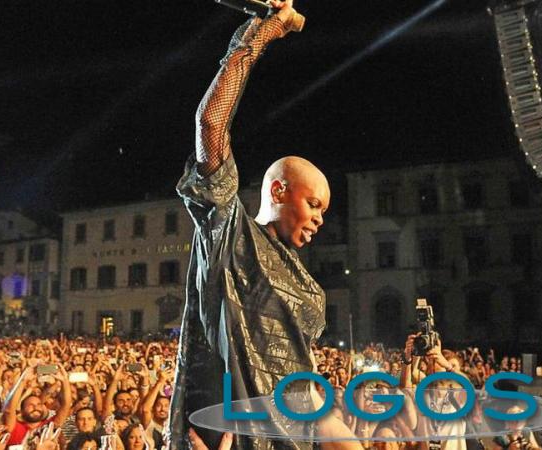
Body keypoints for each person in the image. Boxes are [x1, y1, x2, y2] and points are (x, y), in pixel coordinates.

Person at [169, 0, 349, 448]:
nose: (319, 219)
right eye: (314, 204)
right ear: (279, 191)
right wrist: (260, 35)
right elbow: (211, 123)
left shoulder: (310, 290)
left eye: (324, 211)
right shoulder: (229, 233)